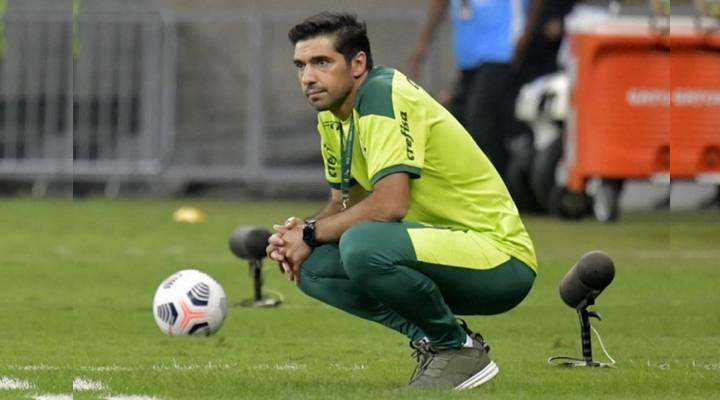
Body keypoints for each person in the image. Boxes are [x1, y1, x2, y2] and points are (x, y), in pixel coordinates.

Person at [266, 12, 537, 390]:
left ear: (358, 63)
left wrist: (312, 234)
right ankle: (444, 342)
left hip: (498, 260)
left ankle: (454, 349)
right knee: (313, 265)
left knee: (361, 244)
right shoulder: (331, 115)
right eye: (300, 66)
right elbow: (345, 205)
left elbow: (389, 205)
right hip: (434, 247)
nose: (308, 77)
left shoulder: (382, 93)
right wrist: (297, 236)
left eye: (321, 62)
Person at [407, 0, 543, 177]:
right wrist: (423, 44)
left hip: (501, 50)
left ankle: (496, 182)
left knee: (480, 120)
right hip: (468, 55)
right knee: (457, 119)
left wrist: (527, 34)